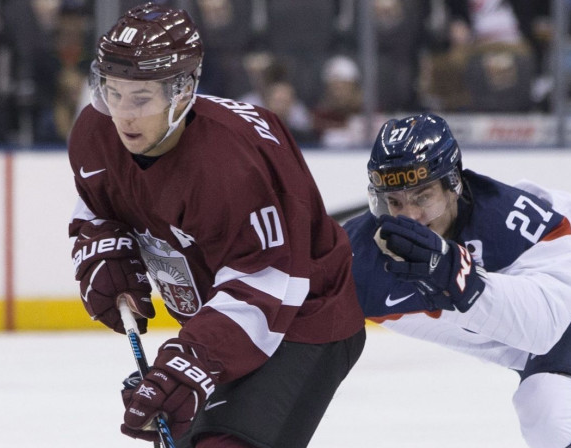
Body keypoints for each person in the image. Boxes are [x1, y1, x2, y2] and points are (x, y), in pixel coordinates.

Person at [66, 3, 366, 447]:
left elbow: (264, 282)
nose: (123, 114)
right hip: (220, 318)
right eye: (113, 92)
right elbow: (98, 203)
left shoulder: (231, 165)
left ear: (183, 91)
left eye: (141, 98)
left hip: (304, 317)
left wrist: (193, 361)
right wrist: (101, 248)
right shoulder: (97, 133)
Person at [343, 113, 571, 447]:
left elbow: (543, 331)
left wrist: (455, 274)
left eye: (422, 197)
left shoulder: (513, 224)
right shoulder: (362, 256)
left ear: (452, 183)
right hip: (525, 326)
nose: (409, 217)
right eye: (395, 202)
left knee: (551, 405)